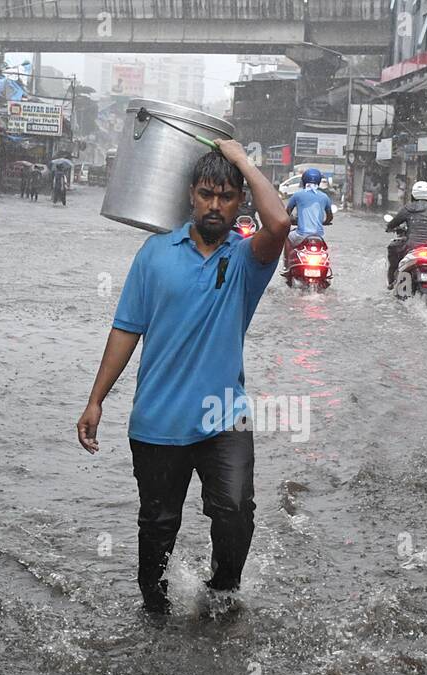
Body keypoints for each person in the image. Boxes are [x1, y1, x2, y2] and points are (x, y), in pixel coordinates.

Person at [76, 141, 290, 618]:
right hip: (158, 419)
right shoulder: (154, 255)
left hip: (223, 416)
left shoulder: (246, 261)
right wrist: (96, 400)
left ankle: (221, 595)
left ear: (240, 203)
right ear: (191, 196)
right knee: (157, 524)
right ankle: (154, 607)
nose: (216, 205)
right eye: (207, 194)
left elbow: (279, 223)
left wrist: (243, 161)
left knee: (234, 512)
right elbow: (126, 329)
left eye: (228, 196)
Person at [386, 180, 427, 287]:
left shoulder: (408, 208)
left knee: (392, 248)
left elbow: (393, 223)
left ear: (413, 194)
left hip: (412, 247)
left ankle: (392, 282)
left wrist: (390, 227)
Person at [283, 167, 333, 270]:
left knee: (287, 238)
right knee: (324, 249)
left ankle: (287, 265)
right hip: (318, 236)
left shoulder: (297, 195)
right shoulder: (324, 197)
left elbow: (287, 213)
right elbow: (330, 217)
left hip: (301, 235)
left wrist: (291, 220)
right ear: (318, 182)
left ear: (304, 180)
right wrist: (325, 222)